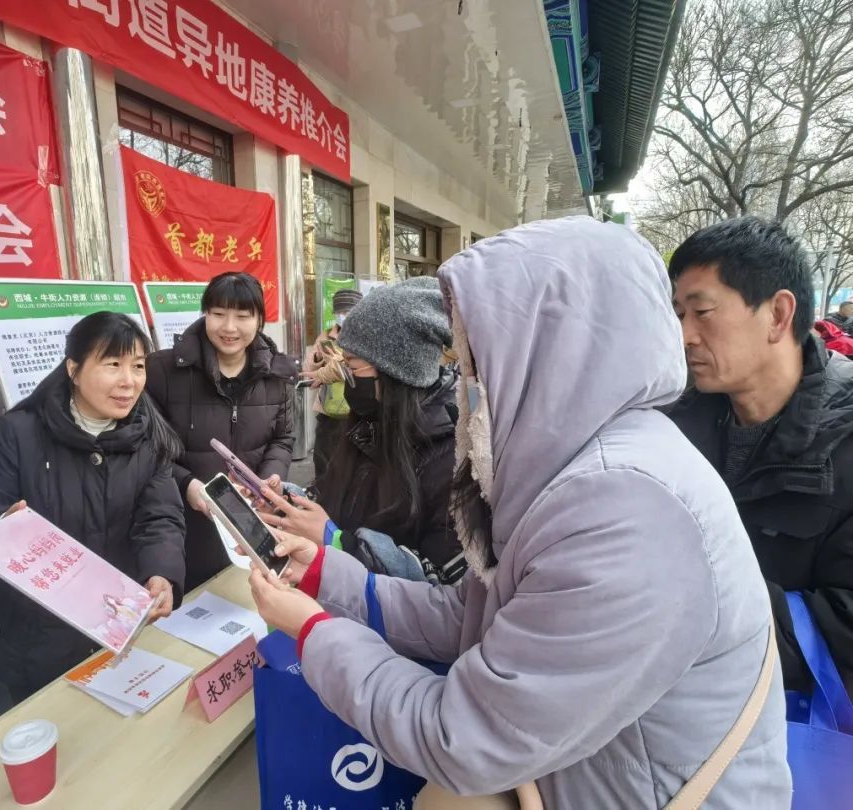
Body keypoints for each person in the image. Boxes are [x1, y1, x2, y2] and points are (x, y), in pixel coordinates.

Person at [248, 218, 790, 808]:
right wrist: (332, 579)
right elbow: (475, 618)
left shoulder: (627, 512)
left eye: (480, 358)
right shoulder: (580, 461)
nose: (466, 382)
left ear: (552, 349)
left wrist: (314, 631)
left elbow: (462, 738)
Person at [0, 312, 185, 701]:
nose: (129, 380)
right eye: (113, 365)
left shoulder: (148, 436)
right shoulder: (19, 434)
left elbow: (160, 517)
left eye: (138, 366)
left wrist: (162, 573)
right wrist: (0, 527)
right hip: (36, 639)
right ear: (73, 369)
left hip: (116, 627)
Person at [668, 216, 853, 698]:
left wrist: (676, 613)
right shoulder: (670, 429)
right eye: (678, 315)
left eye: (701, 312)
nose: (684, 335)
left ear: (777, 315)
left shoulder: (845, 442)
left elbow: (843, 628)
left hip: (794, 728)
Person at [261, 278, 464, 583]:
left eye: (352, 368)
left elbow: (440, 585)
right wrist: (288, 501)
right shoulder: (368, 425)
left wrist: (338, 543)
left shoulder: (453, 457)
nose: (346, 378)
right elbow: (329, 498)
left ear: (397, 370)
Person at [146, 272, 297, 591]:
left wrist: (271, 479)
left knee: (249, 604)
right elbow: (148, 447)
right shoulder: (162, 371)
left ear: (260, 320)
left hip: (252, 521)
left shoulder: (278, 375)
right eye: (218, 314)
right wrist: (187, 484)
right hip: (183, 521)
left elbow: (282, 439)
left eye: (242, 316)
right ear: (205, 314)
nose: (229, 327)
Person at [304, 287, 363, 479]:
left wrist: (339, 363)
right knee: (323, 458)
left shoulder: (367, 337)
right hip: (328, 410)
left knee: (351, 462)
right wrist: (318, 357)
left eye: (349, 312)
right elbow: (310, 370)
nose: (344, 316)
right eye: (340, 312)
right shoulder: (326, 336)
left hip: (356, 410)